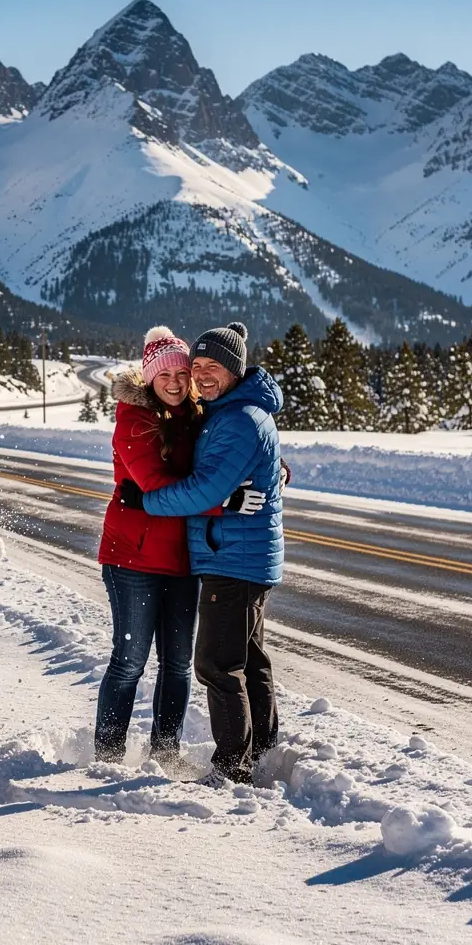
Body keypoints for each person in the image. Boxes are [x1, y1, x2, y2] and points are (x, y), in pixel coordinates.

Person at [120, 322, 284, 785]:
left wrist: (145, 500)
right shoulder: (230, 412)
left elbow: (203, 489)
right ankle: (263, 748)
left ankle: (233, 766)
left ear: (235, 370)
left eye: (215, 366)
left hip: (233, 557)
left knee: (217, 663)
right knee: (248, 657)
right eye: (198, 366)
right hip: (240, 554)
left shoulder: (238, 420)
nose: (203, 375)